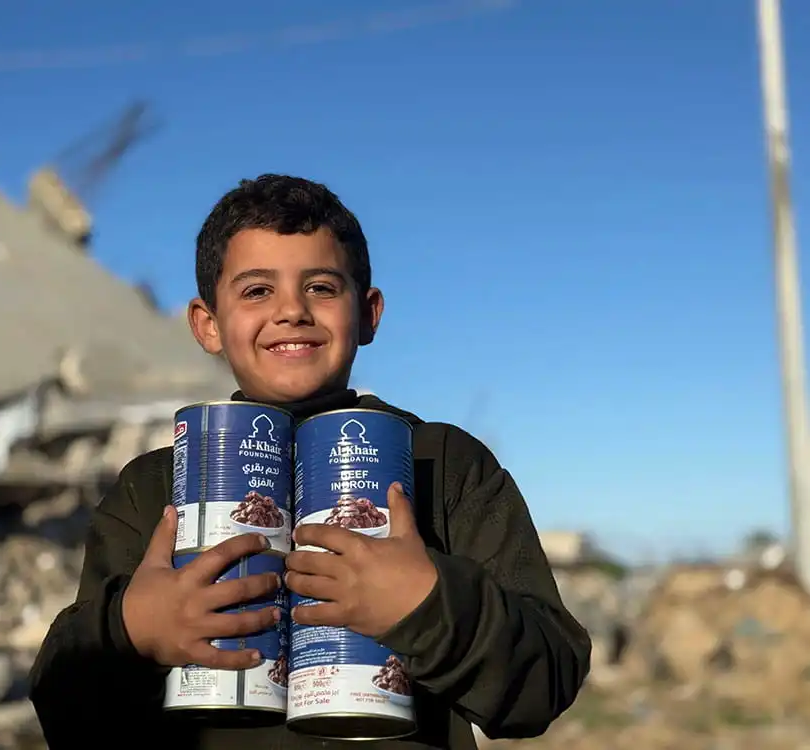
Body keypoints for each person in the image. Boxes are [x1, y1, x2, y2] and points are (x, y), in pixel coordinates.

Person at [29, 174, 591, 749]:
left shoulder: (443, 465)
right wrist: (131, 631)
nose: (291, 311)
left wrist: (427, 602)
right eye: (256, 291)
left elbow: (546, 682)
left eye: (321, 287)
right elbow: (64, 711)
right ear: (207, 324)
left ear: (368, 314)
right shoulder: (152, 489)